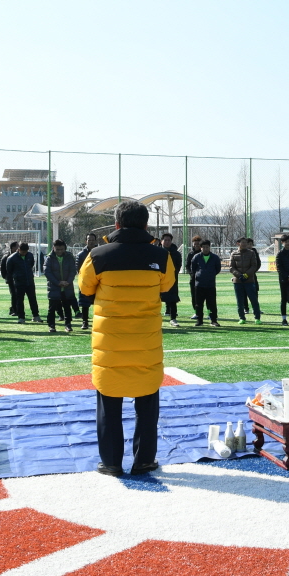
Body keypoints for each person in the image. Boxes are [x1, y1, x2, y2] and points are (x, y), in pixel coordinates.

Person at [78, 200, 175, 477]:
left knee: (109, 404)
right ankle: (144, 460)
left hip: (110, 345)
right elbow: (166, 286)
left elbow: (85, 287)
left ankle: (111, 463)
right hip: (146, 343)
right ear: (146, 225)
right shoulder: (161, 256)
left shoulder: (98, 254)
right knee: (147, 404)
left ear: (116, 224)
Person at [44, 238, 78, 333]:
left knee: (67, 307)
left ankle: (68, 325)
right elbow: (47, 272)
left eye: (61, 249)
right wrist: (58, 282)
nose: (59, 251)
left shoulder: (69, 257)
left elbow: (73, 270)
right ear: (53, 248)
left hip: (67, 287)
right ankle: (51, 326)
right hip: (54, 287)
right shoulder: (49, 258)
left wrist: (68, 281)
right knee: (52, 308)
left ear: (65, 248)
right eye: (57, 249)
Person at [189, 238, 222, 327]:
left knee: (212, 303)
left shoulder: (215, 257)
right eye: (203, 247)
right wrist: (199, 275)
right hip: (199, 285)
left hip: (210, 284)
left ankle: (213, 320)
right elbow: (193, 268)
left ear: (209, 247)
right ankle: (199, 320)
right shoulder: (196, 257)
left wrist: (211, 274)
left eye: (207, 247)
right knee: (198, 304)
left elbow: (218, 269)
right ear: (200, 248)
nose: (205, 249)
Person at [229, 236, 262, 324]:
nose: (244, 244)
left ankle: (257, 318)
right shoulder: (234, 254)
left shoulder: (251, 253)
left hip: (249, 280)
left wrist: (247, 274)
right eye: (242, 242)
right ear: (238, 243)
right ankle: (242, 318)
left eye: (245, 243)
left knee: (253, 300)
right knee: (240, 301)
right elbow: (232, 268)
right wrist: (239, 275)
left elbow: (254, 266)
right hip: (238, 281)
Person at [8, 242, 40, 324]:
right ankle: (21, 317)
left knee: (33, 299)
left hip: (29, 281)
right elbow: (9, 271)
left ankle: (36, 316)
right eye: (22, 252)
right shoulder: (12, 258)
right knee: (19, 301)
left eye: (25, 252)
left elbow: (31, 265)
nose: (24, 253)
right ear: (18, 250)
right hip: (19, 283)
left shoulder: (30, 255)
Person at [75, 233, 99, 329]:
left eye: (93, 240)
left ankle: (97, 322)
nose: (91, 241)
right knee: (85, 304)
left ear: (95, 241)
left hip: (97, 281)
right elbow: (78, 269)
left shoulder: (99, 253)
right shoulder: (80, 255)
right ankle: (85, 322)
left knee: (98, 303)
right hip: (86, 282)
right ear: (86, 241)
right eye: (89, 240)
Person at [160, 233, 183, 328]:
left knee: (173, 299)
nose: (167, 242)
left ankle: (173, 318)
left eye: (169, 240)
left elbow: (178, 265)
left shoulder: (176, 253)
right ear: (162, 241)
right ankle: (155, 318)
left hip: (172, 279)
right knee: (156, 299)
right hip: (159, 279)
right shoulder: (157, 252)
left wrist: (171, 274)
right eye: (165, 240)